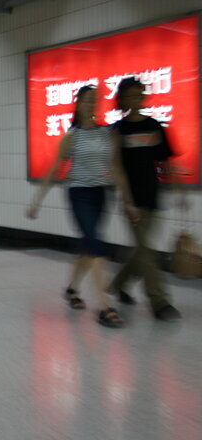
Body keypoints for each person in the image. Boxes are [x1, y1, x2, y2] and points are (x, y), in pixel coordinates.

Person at [27, 86, 136, 328]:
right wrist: (37, 201)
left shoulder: (107, 134)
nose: (91, 104)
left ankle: (72, 289)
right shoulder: (71, 136)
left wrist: (127, 200)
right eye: (86, 100)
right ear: (78, 104)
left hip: (101, 194)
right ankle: (105, 307)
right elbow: (56, 169)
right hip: (79, 194)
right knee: (97, 244)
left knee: (88, 244)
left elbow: (117, 168)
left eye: (95, 100)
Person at [107, 77, 182, 322]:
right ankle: (159, 301)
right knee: (147, 252)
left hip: (153, 195)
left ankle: (117, 284)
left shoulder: (154, 126)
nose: (134, 99)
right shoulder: (118, 130)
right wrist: (127, 201)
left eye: (138, 94)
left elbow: (165, 160)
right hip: (132, 199)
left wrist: (178, 190)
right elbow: (117, 167)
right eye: (129, 95)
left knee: (141, 249)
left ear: (143, 96)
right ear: (122, 100)